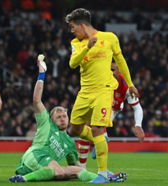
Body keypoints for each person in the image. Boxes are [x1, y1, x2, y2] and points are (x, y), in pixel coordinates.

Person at [8, 54, 126, 183]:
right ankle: (23, 179)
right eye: (58, 117)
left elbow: (78, 168)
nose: (63, 119)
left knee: (76, 171)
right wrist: (41, 74)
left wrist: (97, 172)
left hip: (47, 168)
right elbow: (36, 100)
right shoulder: (46, 124)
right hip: (33, 157)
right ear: (52, 119)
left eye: (64, 116)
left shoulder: (70, 143)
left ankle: (106, 178)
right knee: (58, 171)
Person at [65, 8, 139, 183]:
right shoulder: (76, 43)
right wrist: (87, 48)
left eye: (73, 26)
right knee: (74, 129)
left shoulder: (110, 37)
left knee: (97, 128)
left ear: (82, 25)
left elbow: (121, 61)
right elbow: (72, 63)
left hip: (104, 90)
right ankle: (101, 139)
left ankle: (103, 174)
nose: (72, 30)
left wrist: (130, 84)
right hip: (85, 92)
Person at [78, 62, 145, 170]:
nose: (109, 72)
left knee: (92, 127)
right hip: (97, 104)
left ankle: (101, 141)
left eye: (113, 70)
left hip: (114, 108)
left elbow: (137, 108)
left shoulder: (127, 85)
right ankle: (82, 167)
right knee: (85, 129)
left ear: (120, 71)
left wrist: (138, 125)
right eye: (107, 69)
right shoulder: (100, 79)